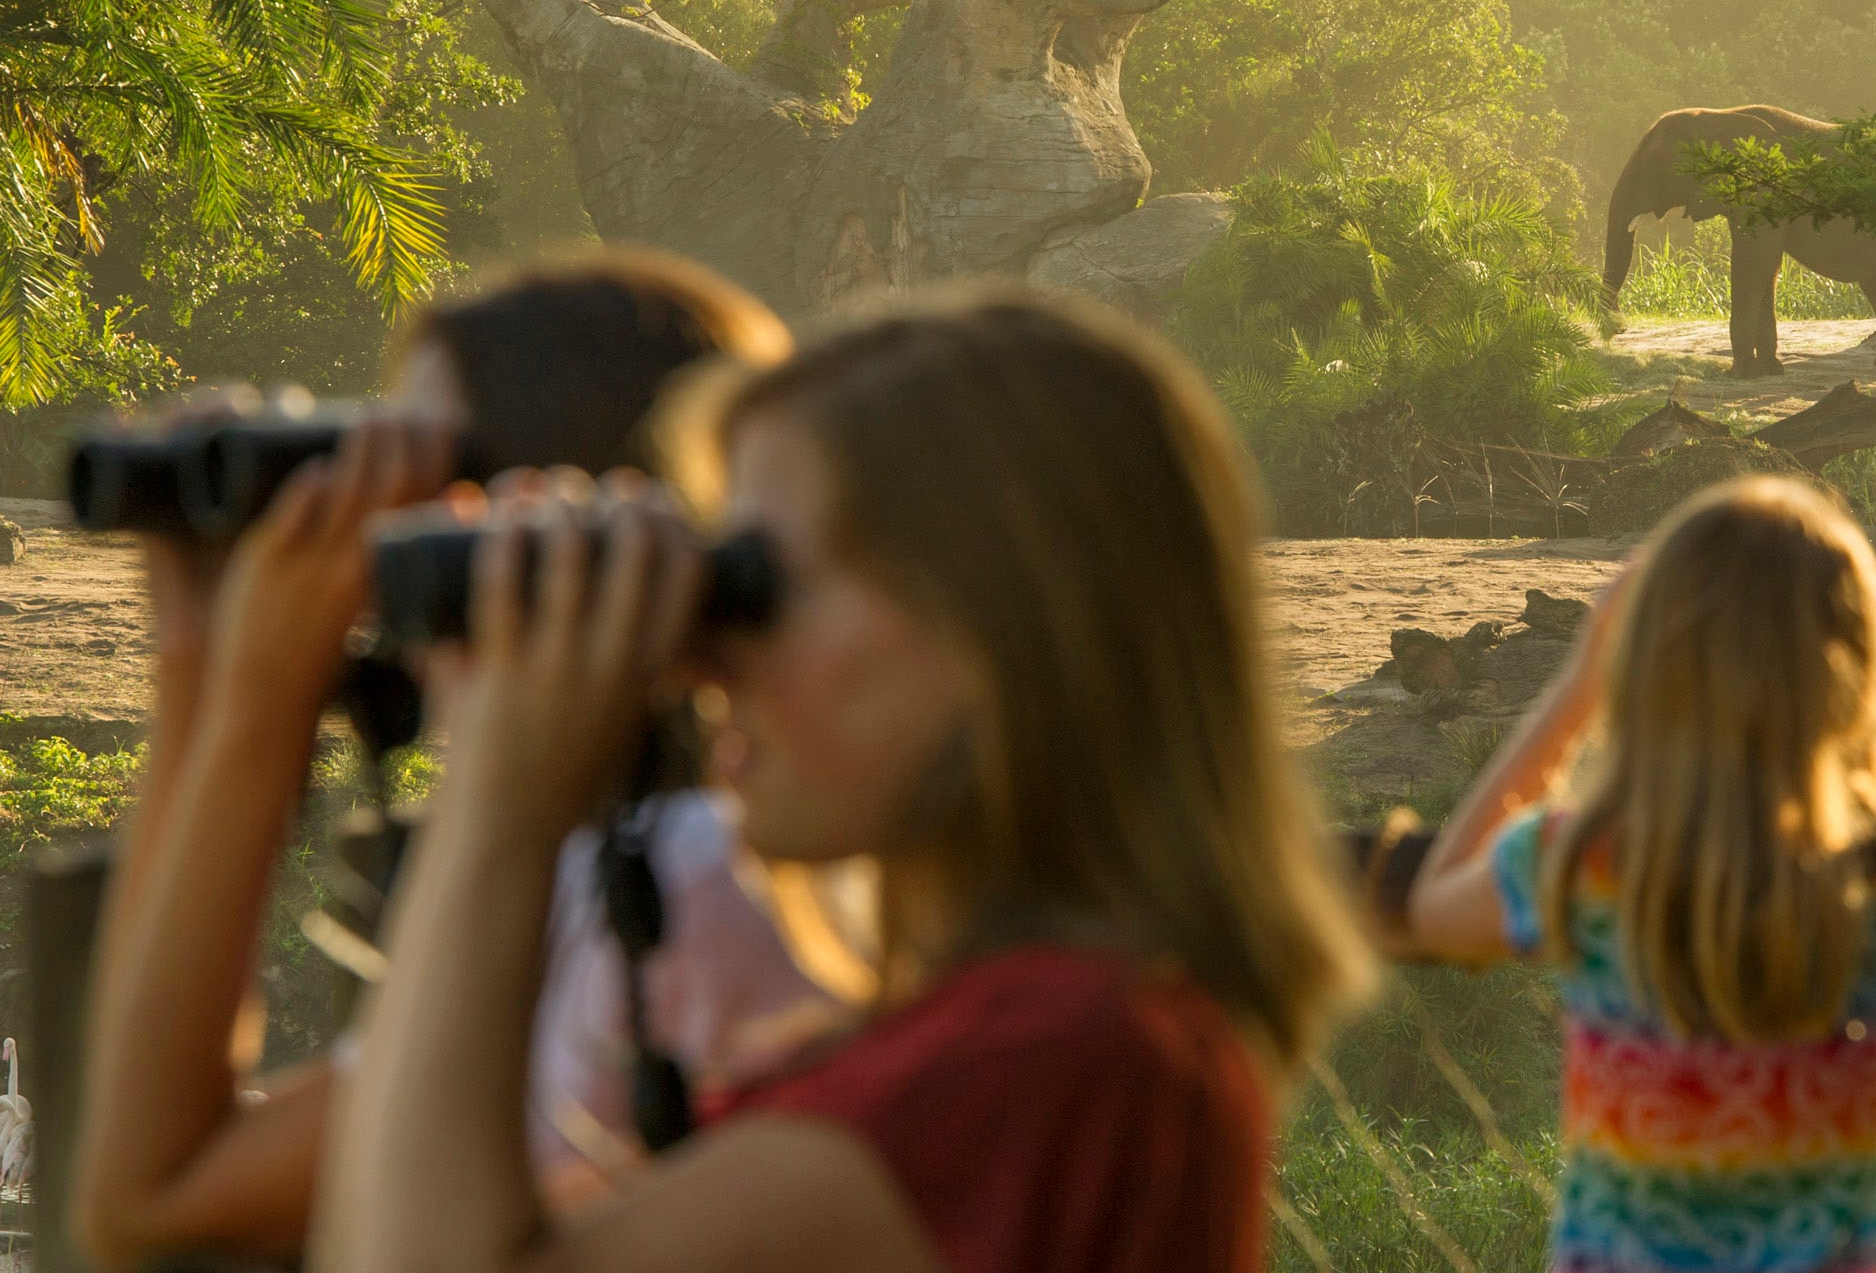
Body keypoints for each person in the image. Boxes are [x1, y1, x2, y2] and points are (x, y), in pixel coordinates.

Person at [314, 290, 1375, 1273]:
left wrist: (502, 798)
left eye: (753, 585)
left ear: (995, 631)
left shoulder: (1038, 1063)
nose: (705, 660)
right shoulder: (1051, 1037)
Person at [75, 249, 833, 1266]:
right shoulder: (619, 874)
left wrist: (256, 703)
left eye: (434, 494)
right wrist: (198, 662)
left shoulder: (705, 886)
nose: (376, 556)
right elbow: (151, 1183)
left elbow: (151, 1205)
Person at [1406, 475, 1876, 1273]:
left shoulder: (1585, 855)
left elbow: (1432, 902)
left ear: (1647, 663)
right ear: (1854, 668)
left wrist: (1575, 688)